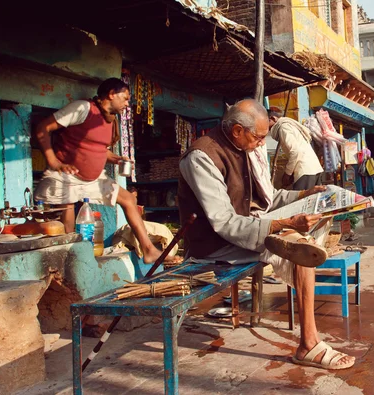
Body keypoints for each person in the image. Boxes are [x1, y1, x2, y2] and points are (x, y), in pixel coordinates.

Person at [178, 99, 355, 370]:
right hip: (214, 243)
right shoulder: (202, 157)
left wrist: (305, 194)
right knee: (301, 250)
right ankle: (309, 344)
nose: (262, 142)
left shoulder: (245, 147)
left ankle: (310, 341)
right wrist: (282, 224)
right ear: (238, 130)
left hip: (249, 228)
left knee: (302, 240)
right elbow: (224, 223)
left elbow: (269, 198)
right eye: (259, 136)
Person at [34, 78, 162, 263]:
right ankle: (70, 262)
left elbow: (97, 149)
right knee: (67, 218)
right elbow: (42, 128)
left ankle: (148, 249)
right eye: (125, 98)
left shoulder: (110, 120)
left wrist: (116, 159)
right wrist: (53, 162)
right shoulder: (82, 108)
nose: (128, 104)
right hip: (66, 177)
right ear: (111, 94)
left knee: (128, 199)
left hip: (93, 180)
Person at [268, 107, 323, 190]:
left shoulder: (283, 127)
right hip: (314, 169)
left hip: (305, 171)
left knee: (302, 201)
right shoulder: (289, 125)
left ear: (273, 118)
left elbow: (295, 152)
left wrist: (287, 174)